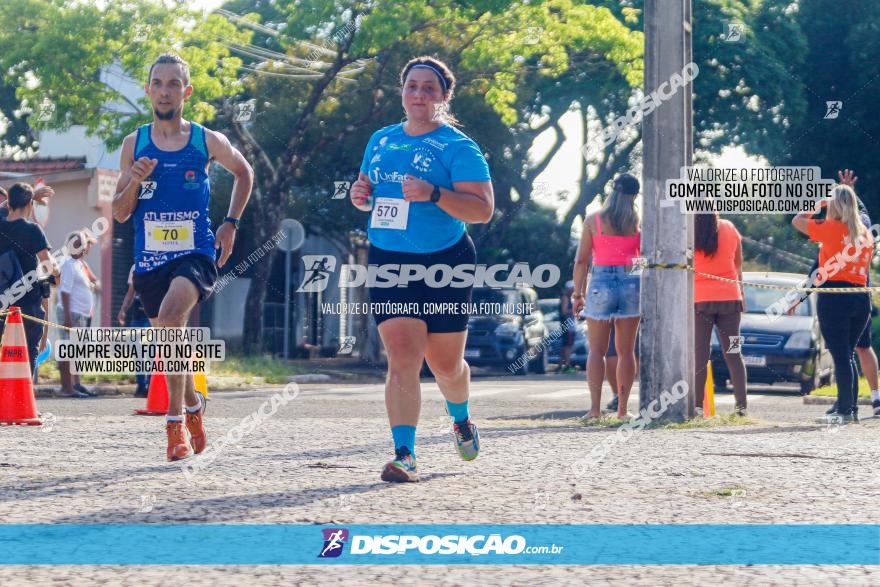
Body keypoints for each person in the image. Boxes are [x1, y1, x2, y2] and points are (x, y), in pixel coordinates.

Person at [349, 56, 494, 482]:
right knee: (402, 358)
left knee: (446, 365)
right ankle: (405, 454)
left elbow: (483, 210)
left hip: (445, 259)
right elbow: (368, 190)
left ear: (444, 95)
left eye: (429, 88)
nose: (418, 95)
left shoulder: (459, 147)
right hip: (390, 257)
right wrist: (361, 194)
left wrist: (433, 193)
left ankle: (462, 419)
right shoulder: (380, 139)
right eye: (412, 86)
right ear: (402, 91)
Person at [111, 53, 254, 461]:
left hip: (196, 252)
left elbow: (244, 172)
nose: (165, 90)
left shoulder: (205, 141)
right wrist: (135, 180)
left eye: (174, 83)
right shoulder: (132, 145)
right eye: (158, 82)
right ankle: (194, 406)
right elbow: (120, 212)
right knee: (170, 338)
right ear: (148, 90)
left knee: (174, 319)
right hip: (151, 260)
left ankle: (174, 425)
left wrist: (231, 223)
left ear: (186, 92)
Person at [792, 170, 880, 417]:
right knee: (848, 354)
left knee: (841, 355)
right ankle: (848, 405)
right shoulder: (864, 232)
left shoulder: (830, 228)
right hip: (861, 298)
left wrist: (818, 203)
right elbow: (861, 211)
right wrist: (848, 191)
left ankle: (844, 408)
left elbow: (798, 220)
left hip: (834, 298)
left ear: (834, 207)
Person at [572, 173, 641, 420]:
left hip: (600, 282)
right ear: (634, 195)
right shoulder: (637, 222)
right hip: (631, 284)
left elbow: (582, 260)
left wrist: (577, 294)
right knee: (626, 351)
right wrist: (628, 271)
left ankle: (594, 410)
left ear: (612, 191)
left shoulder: (594, 220)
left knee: (596, 350)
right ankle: (622, 411)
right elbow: (641, 259)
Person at [0, 183, 60, 376]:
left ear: (9, 204)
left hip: (2, 301)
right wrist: (57, 274)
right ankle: (23, 402)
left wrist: (30, 196)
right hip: (27, 303)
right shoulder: (33, 230)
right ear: (30, 206)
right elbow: (47, 263)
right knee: (28, 352)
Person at [693, 212, 747, 416]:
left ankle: (697, 407)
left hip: (700, 301)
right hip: (731, 301)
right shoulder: (730, 227)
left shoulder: (690, 232)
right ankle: (741, 407)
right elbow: (738, 263)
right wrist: (742, 295)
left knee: (700, 354)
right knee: (734, 353)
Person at [57, 231, 99, 398]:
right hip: (71, 313)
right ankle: (66, 388)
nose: (81, 247)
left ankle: (76, 384)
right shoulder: (68, 264)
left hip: (80, 314)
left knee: (76, 351)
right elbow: (65, 292)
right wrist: (67, 318)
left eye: (82, 243)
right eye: (76, 244)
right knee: (68, 350)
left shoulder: (79, 264)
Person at [118, 264, 151, 397]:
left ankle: (151, 384)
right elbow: (131, 292)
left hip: (152, 316)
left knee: (152, 352)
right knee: (138, 352)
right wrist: (123, 309)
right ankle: (141, 385)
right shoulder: (135, 267)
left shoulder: (160, 263)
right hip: (137, 316)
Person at [556, 281, 576, 373]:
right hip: (568, 326)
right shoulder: (565, 298)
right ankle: (567, 366)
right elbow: (564, 312)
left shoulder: (567, 297)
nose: (573, 291)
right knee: (567, 346)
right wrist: (574, 309)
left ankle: (560, 366)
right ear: (569, 289)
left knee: (565, 346)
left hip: (567, 326)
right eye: (572, 289)